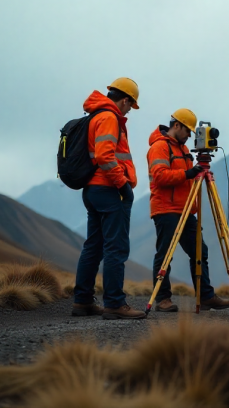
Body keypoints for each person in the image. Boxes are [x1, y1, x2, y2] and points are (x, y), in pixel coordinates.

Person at [71, 77, 145, 320]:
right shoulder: (110, 117)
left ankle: (83, 302)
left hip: (92, 191)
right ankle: (114, 303)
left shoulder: (95, 114)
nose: (128, 111)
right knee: (116, 247)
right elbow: (105, 156)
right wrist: (123, 184)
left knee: (93, 246)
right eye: (130, 106)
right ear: (125, 100)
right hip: (109, 190)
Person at [146, 109, 229, 312]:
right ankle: (162, 299)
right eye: (188, 131)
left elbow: (185, 179)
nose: (190, 136)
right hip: (166, 208)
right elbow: (160, 176)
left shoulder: (184, 150)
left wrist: (197, 176)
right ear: (177, 126)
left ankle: (205, 296)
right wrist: (188, 173)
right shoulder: (159, 147)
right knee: (165, 254)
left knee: (199, 251)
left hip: (185, 210)